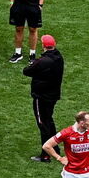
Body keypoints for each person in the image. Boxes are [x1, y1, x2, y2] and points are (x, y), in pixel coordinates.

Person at [24, 34, 64, 162]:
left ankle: (46, 154)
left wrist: (33, 63)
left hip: (41, 97)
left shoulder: (43, 61)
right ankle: (55, 147)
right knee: (49, 121)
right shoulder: (59, 57)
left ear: (43, 45)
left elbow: (27, 71)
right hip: (53, 95)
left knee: (43, 124)